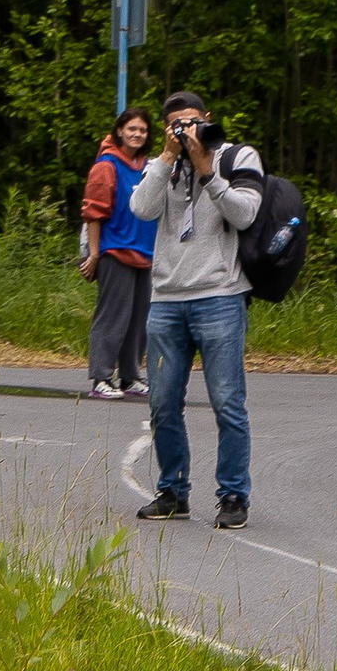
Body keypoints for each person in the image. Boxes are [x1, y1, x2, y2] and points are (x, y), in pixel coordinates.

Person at [130, 91, 261, 531]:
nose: (186, 130)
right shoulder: (161, 164)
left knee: (227, 402)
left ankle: (233, 496)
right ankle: (172, 492)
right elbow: (141, 209)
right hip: (167, 299)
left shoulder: (237, 156)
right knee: (162, 403)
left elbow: (245, 214)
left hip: (220, 295)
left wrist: (207, 170)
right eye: (176, 124)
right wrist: (168, 157)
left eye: (191, 122)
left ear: (207, 118)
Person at [79, 107, 157, 400]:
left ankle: (129, 376)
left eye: (143, 130)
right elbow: (93, 214)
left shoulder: (148, 166)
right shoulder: (106, 166)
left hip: (145, 253)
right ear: (120, 131)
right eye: (132, 129)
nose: (137, 134)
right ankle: (100, 377)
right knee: (113, 317)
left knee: (140, 319)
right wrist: (94, 255)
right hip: (115, 251)